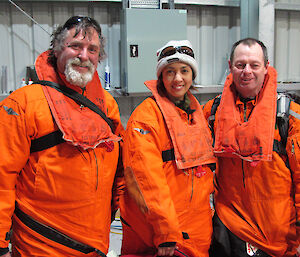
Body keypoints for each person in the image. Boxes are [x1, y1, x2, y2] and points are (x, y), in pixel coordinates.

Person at [0, 16, 124, 257]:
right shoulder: (22, 104)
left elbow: (122, 171)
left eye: (92, 49)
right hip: (41, 245)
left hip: (97, 244)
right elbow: (2, 176)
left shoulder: (107, 106)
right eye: (75, 46)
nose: (84, 55)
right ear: (57, 50)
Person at [203, 38, 300, 257]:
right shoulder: (213, 112)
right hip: (228, 227)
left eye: (254, 65)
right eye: (240, 65)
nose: (247, 71)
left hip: (276, 234)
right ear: (230, 67)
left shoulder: (288, 115)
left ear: (267, 67)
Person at [119, 40, 216, 257]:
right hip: (162, 239)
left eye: (184, 71)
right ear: (161, 77)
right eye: (170, 72)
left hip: (196, 235)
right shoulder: (146, 117)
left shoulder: (195, 113)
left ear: (193, 75)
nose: (178, 78)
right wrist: (165, 233)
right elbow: (146, 180)